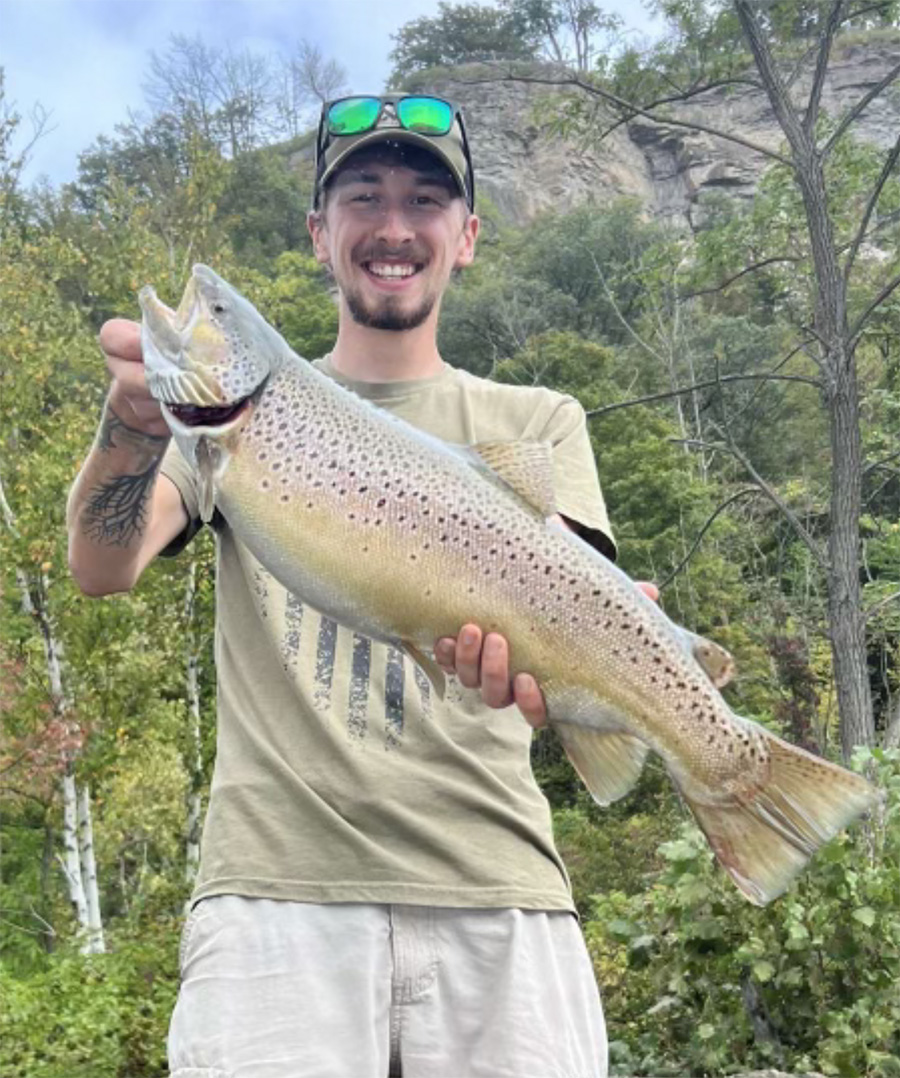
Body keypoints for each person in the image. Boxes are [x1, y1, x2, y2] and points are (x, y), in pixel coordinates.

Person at [68, 93, 654, 1078]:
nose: (392, 227)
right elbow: (100, 568)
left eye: (425, 201)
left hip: (500, 892)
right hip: (272, 897)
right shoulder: (225, 426)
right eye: (363, 198)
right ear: (318, 234)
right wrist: (132, 425)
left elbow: (588, 605)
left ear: (465, 237)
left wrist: (645, 663)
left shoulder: (537, 418)